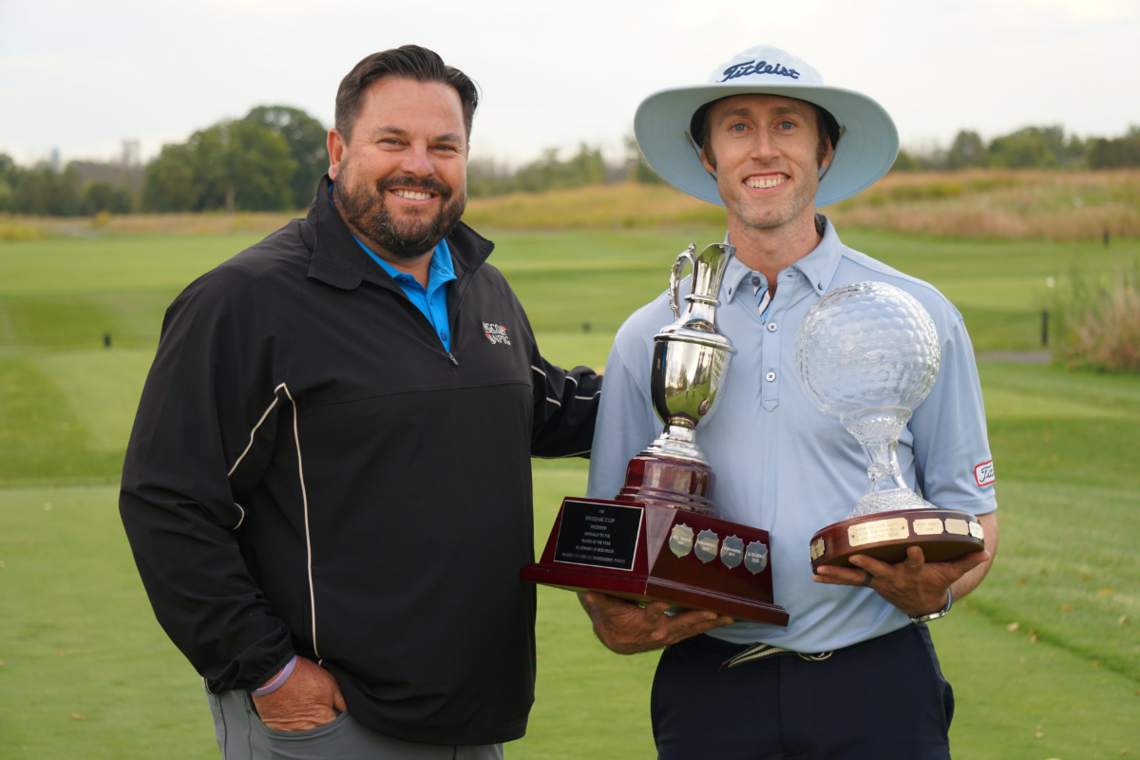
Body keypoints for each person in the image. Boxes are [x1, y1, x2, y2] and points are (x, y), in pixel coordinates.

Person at [120, 45, 600, 760]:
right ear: (340, 148)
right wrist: (269, 671)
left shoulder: (481, 284)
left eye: (444, 146)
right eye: (392, 141)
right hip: (333, 722)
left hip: (475, 715)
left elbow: (539, 405)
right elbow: (168, 502)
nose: (420, 165)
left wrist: (691, 377)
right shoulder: (245, 301)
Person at [582, 45, 999, 760]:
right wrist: (610, 617)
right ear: (707, 155)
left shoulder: (918, 314)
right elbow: (614, 536)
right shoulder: (650, 334)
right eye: (738, 127)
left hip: (878, 679)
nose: (763, 148)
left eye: (788, 125)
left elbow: (975, 520)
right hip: (709, 683)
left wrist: (935, 590)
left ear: (825, 149)